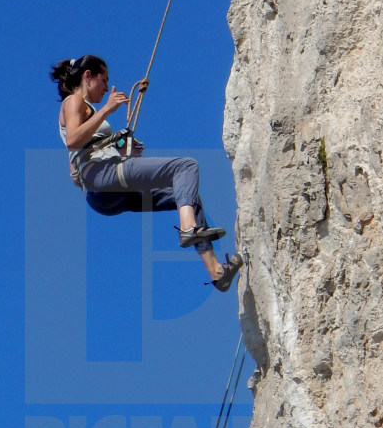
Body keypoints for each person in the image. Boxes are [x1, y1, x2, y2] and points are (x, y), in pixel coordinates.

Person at [51, 54, 243, 293]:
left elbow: (74, 172)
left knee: (186, 195)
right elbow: (73, 140)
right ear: (87, 76)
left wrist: (123, 152)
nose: (106, 86)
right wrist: (108, 110)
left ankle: (217, 272)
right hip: (102, 177)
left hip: (103, 194)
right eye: (104, 79)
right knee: (185, 167)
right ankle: (188, 229)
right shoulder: (74, 101)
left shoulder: (84, 111)